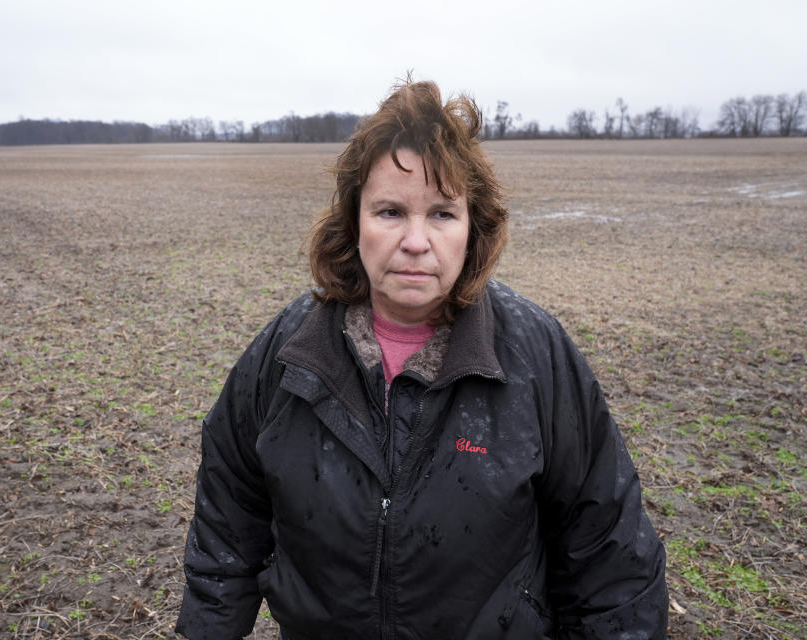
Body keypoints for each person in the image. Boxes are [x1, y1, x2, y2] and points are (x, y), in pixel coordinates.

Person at [175, 80, 668, 640]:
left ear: (472, 228)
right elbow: (226, 531)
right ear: (353, 221)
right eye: (389, 211)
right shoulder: (289, 354)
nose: (415, 241)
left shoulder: (535, 354)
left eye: (441, 214)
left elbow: (610, 556)